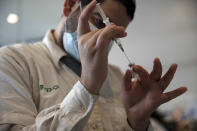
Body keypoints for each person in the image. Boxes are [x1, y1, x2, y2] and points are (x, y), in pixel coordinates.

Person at [0, 0, 187, 130]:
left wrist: (137, 123)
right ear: (69, 6)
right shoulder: (13, 61)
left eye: (115, 35)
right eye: (100, 22)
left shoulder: (117, 78)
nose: (105, 39)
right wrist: (88, 85)